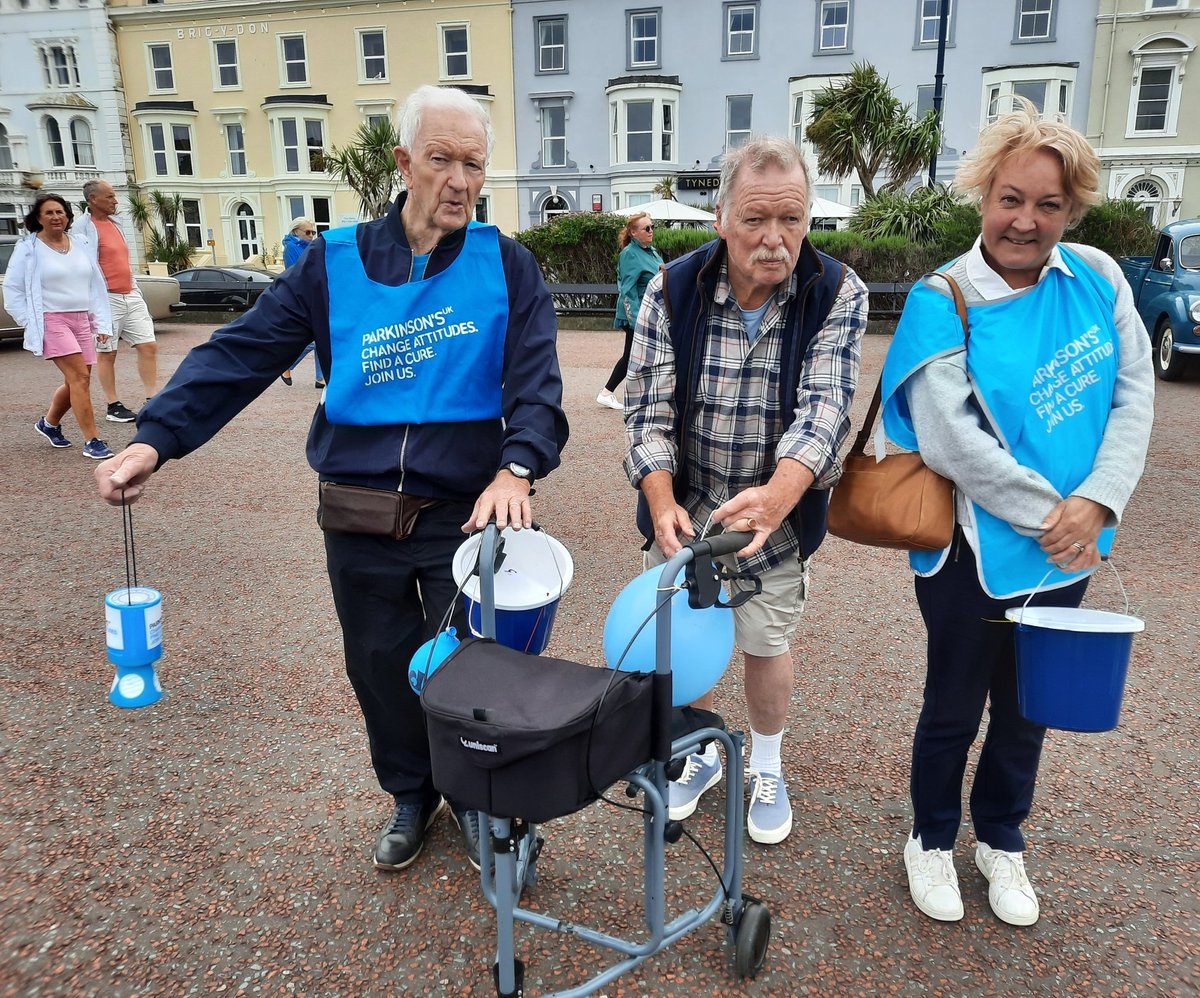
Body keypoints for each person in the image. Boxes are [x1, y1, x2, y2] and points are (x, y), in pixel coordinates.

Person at [94, 85, 569, 872]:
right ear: (403, 163)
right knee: (380, 669)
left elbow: (536, 384)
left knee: (479, 670)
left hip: (469, 512)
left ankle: (485, 803)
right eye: (441, 160)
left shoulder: (506, 264)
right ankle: (411, 795)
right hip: (360, 512)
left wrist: (519, 465)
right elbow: (243, 352)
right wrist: (155, 439)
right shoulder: (333, 261)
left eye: (474, 164)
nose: (459, 180)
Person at [880, 101, 1154, 927]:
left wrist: (1099, 499)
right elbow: (949, 440)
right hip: (972, 552)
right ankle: (930, 839)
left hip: (1068, 545)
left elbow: (1134, 398)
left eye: (1047, 205)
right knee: (954, 706)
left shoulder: (1099, 278)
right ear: (983, 196)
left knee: (1029, 707)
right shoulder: (945, 297)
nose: (1025, 221)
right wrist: (1057, 514)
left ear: (1071, 211)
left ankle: (1001, 837)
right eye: (1010, 198)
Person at [624, 136, 868, 845]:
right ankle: (700, 751)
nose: (774, 238)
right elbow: (648, 410)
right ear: (721, 218)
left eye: (791, 219)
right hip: (690, 503)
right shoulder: (670, 288)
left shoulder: (835, 291)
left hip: (780, 515)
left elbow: (826, 408)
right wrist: (661, 500)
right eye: (756, 220)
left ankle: (766, 762)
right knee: (692, 636)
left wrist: (780, 495)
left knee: (766, 640)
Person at [5, 192, 115, 460]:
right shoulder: (29, 248)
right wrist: (31, 321)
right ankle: (92, 440)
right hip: (52, 319)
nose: (56, 217)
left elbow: (95, 285)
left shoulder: (80, 243)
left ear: (67, 216)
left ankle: (49, 423)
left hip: (81, 318)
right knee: (81, 378)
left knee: (75, 380)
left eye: (60, 212)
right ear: (38, 218)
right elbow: (13, 289)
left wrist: (101, 321)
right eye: (49, 213)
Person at [77, 179, 159, 424]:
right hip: (106, 299)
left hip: (130, 294)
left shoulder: (116, 224)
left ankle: (152, 399)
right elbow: (82, 267)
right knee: (107, 353)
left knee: (148, 345)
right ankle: (113, 405)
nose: (115, 201)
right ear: (93, 199)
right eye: (110, 197)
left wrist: (132, 286)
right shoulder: (82, 227)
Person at [598, 212, 661, 411]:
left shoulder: (650, 251)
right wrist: (635, 320)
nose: (651, 231)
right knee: (636, 356)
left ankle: (609, 393)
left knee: (637, 356)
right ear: (633, 233)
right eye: (646, 228)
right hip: (637, 313)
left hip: (651, 313)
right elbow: (627, 290)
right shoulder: (630, 254)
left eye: (652, 227)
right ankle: (608, 393)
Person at [279, 217, 325, 389]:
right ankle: (288, 365)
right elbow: (296, 273)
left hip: (315, 296)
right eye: (307, 232)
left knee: (321, 337)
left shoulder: (310, 246)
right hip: (302, 298)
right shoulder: (291, 247)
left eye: (313, 232)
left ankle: (321, 377)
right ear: (296, 231)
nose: (311, 235)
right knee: (314, 339)